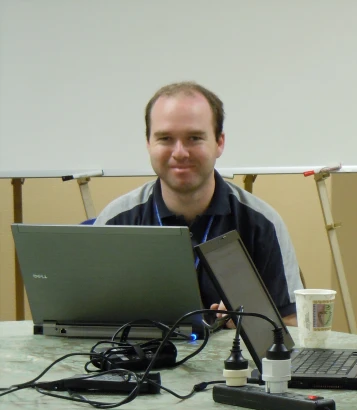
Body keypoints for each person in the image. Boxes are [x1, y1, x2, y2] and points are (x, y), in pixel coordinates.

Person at [94, 82, 301, 326]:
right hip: (139, 362)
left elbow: (292, 324)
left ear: (219, 143)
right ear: (148, 143)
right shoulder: (116, 221)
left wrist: (252, 324)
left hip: (232, 363)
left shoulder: (262, 224)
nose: (180, 152)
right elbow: (88, 318)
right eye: (165, 138)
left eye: (194, 138)